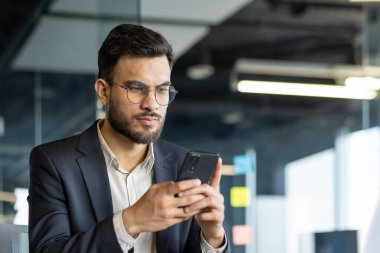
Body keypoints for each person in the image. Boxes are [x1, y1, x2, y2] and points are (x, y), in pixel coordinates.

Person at [28, 24, 229, 253]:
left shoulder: (183, 163)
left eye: (162, 90)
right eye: (136, 88)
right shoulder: (55, 163)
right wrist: (130, 221)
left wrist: (212, 238)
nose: (151, 104)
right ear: (104, 92)